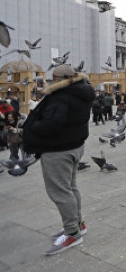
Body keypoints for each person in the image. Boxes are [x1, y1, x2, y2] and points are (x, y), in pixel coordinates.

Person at [22, 65, 94, 255]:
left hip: (58, 150)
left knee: (60, 192)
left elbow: (51, 124)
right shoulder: (81, 91)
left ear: (57, 78)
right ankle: (79, 223)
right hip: (75, 146)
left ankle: (72, 233)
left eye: (52, 78)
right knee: (71, 187)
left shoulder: (61, 97)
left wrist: (32, 125)